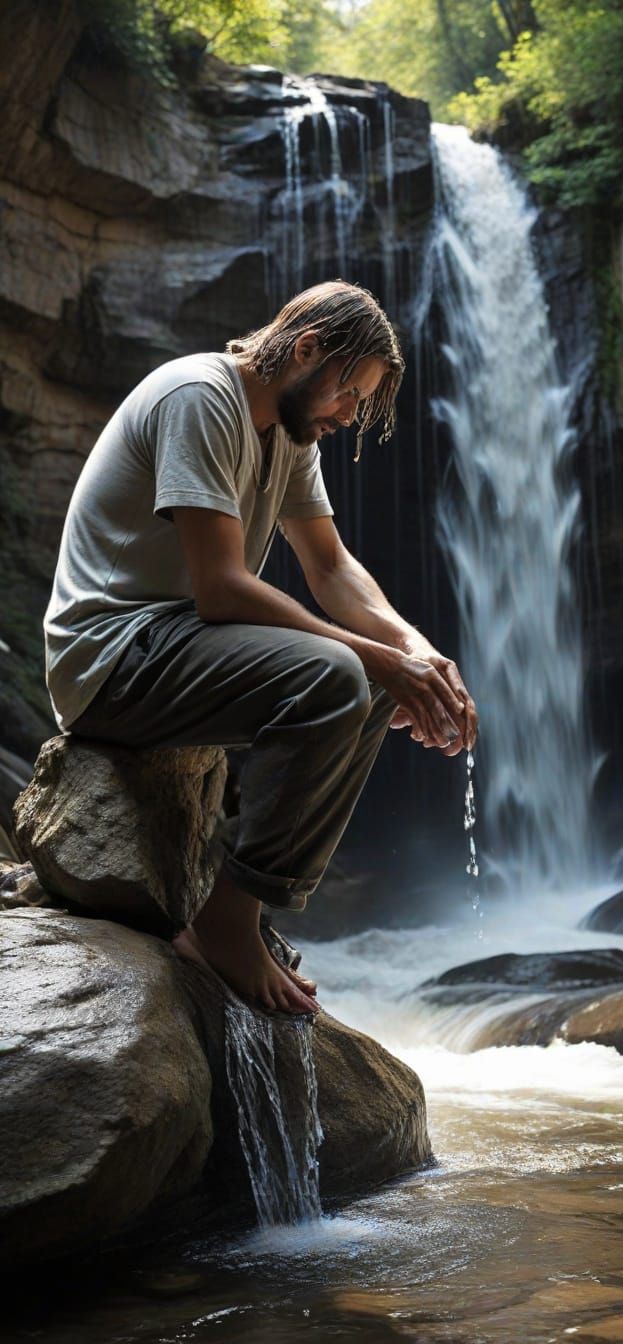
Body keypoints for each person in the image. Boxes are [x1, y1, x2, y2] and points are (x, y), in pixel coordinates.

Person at [44, 280, 478, 1016]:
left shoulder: (286, 431)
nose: (350, 413)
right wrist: (374, 659)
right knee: (348, 673)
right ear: (306, 350)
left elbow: (331, 566)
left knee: (372, 678)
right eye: (349, 391)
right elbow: (221, 587)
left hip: (178, 644)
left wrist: (416, 652)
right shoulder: (199, 397)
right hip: (111, 654)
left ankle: (242, 908)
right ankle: (224, 925)